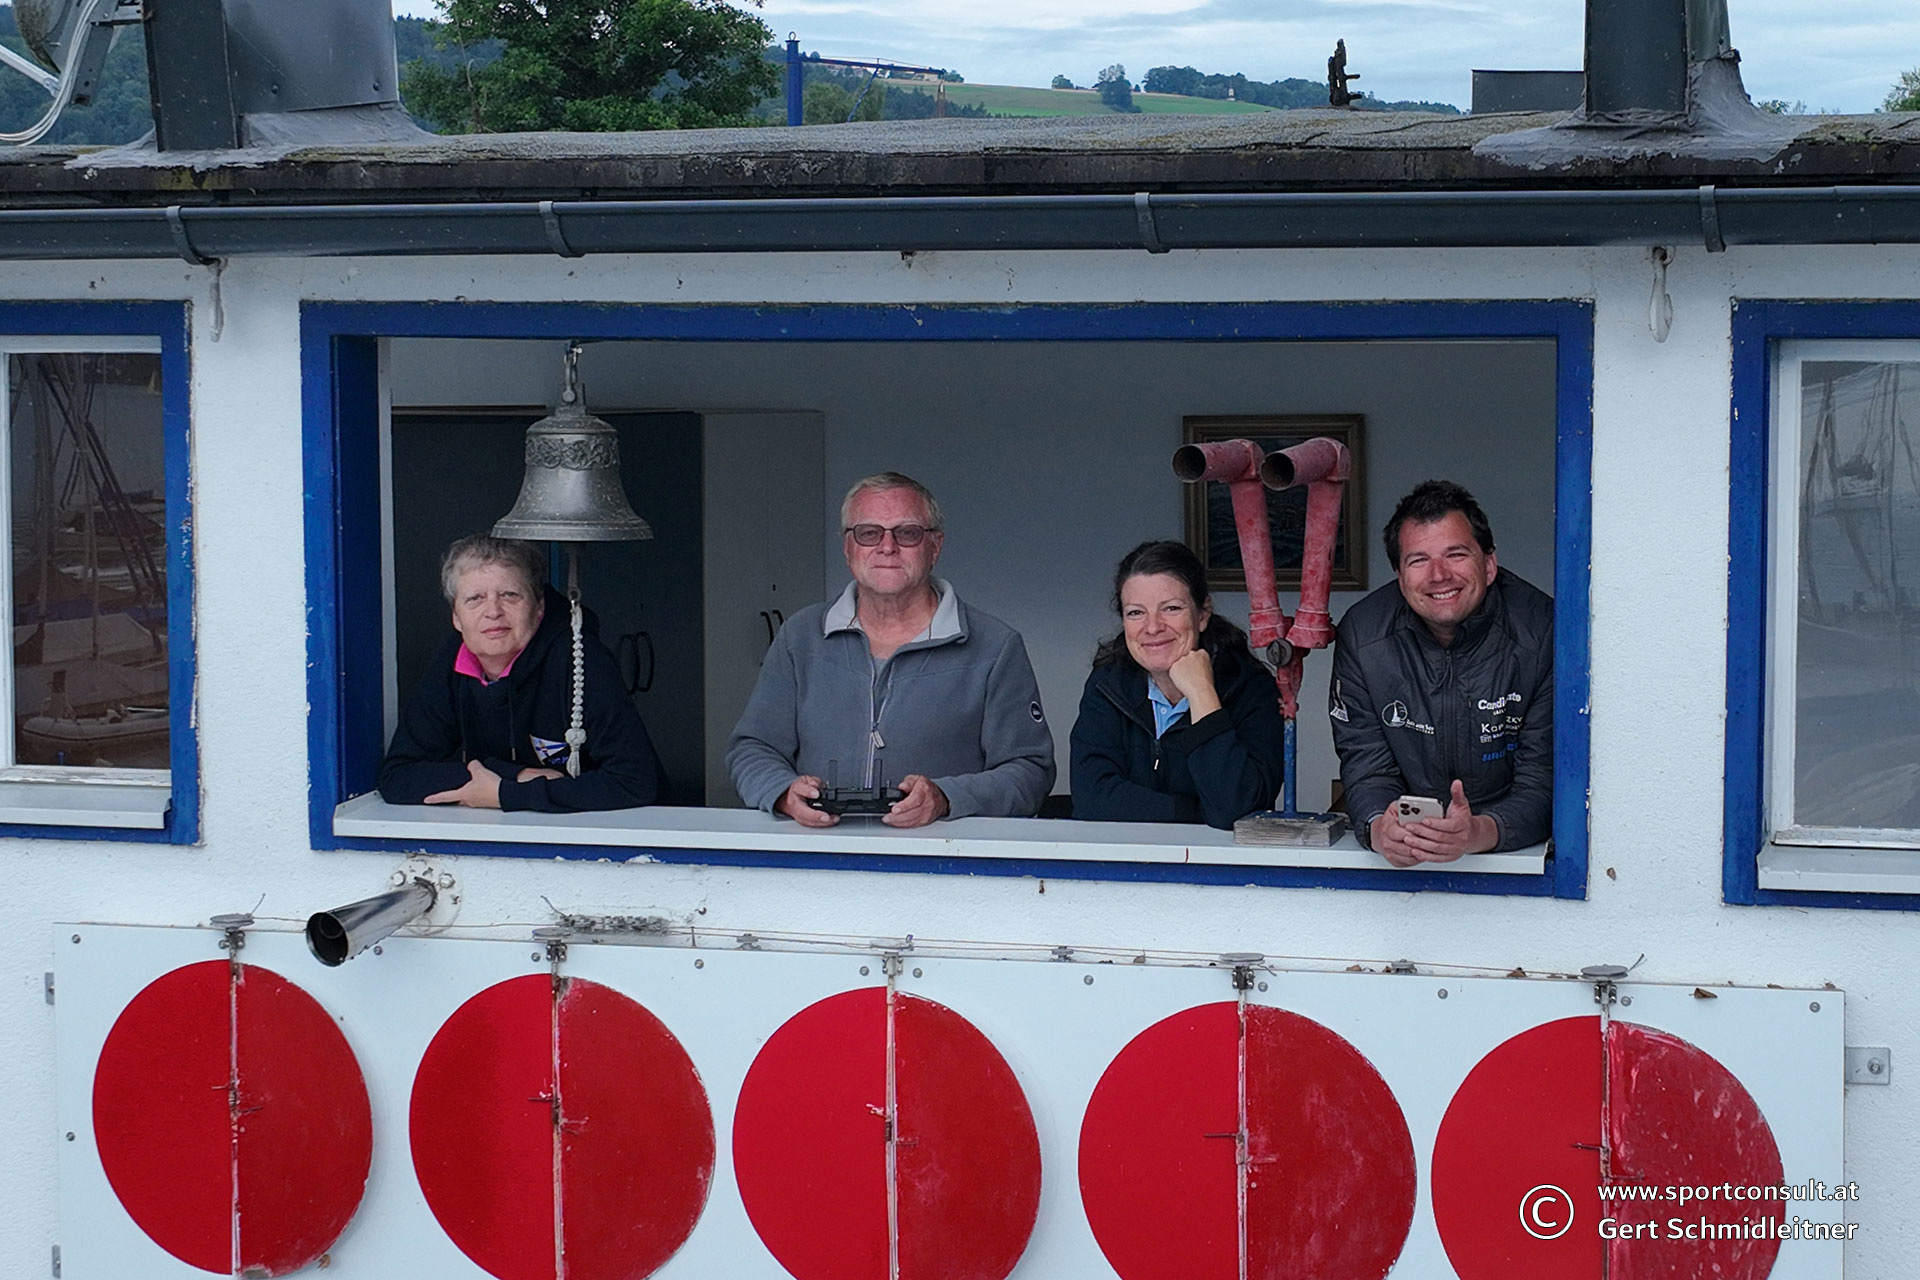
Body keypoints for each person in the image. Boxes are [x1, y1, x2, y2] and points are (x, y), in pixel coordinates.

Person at [727, 472, 1055, 828]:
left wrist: (947, 798)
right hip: (818, 854)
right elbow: (752, 748)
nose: (887, 547)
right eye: (869, 533)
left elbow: (1031, 772)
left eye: (907, 533)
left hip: (940, 857)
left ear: (935, 547)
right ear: (848, 547)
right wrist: (781, 792)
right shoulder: (800, 636)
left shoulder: (994, 646)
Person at [1329, 480, 1552, 865]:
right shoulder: (1363, 636)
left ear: (1489, 564)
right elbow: (1366, 767)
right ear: (1400, 576)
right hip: (1407, 849)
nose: (1438, 575)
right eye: (1418, 560)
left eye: (1456, 554)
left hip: (1516, 853)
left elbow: (1544, 782)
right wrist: (1381, 829)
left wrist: (1475, 833)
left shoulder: (1544, 631)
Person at [379, 534, 666, 812]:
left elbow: (636, 781)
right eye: (475, 598)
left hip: (613, 836)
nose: (493, 611)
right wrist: (513, 778)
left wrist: (506, 794)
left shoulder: (580, 657)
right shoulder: (453, 660)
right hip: (510, 835)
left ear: (539, 607)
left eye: (509, 595)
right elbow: (398, 775)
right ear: (456, 616)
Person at [1070, 540, 1286, 828]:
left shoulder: (1252, 689)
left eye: (1171, 608)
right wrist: (1194, 813)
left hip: (1214, 858)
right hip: (1122, 854)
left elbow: (1238, 810)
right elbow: (1091, 799)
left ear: (1203, 614)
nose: (1153, 627)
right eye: (1136, 612)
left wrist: (1202, 694)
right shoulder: (1108, 684)